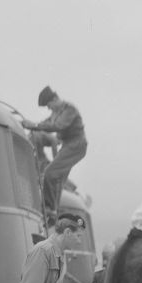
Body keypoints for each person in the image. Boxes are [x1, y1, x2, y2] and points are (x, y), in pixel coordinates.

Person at [22, 86, 87, 222]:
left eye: (49, 105)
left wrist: (34, 125)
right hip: (68, 145)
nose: (49, 109)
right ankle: (54, 211)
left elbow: (57, 126)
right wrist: (31, 125)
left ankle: (49, 208)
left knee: (50, 172)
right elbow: (48, 122)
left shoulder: (69, 109)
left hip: (76, 145)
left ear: (55, 99)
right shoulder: (57, 111)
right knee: (58, 179)